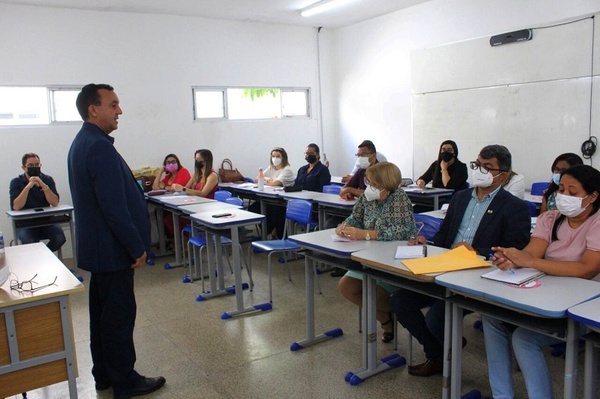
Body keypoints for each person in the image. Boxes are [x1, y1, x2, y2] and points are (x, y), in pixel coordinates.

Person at [390, 144, 530, 377]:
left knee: (437, 318)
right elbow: (444, 235)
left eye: (488, 167)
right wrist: (427, 243)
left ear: (502, 175)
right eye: (477, 165)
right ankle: (437, 352)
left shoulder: (514, 207)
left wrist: (476, 250)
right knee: (400, 301)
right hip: (445, 266)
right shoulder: (461, 197)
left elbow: (515, 248)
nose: (479, 171)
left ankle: (442, 353)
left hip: (480, 272)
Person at [68, 83, 165, 399]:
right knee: (119, 318)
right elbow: (113, 206)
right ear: (93, 109)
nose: (119, 110)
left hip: (99, 251)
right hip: (112, 251)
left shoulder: (84, 142)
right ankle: (125, 379)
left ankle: (104, 375)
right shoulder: (98, 146)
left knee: (102, 317)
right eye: (113, 104)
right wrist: (136, 246)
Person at [484, 164, 600, 399]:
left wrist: (531, 262)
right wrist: (511, 259)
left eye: (573, 192)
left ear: (593, 196)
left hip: (583, 305)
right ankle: (502, 395)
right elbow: (532, 254)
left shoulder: (597, 223)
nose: (564, 196)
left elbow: (587, 270)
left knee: (524, 338)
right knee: (491, 317)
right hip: (545, 294)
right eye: (561, 189)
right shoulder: (551, 218)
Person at [336, 162, 417, 343]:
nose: (368, 186)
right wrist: (343, 227)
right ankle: (386, 319)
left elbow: (402, 231)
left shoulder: (399, 198)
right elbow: (355, 218)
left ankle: (399, 314)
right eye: (368, 181)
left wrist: (366, 234)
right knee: (346, 287)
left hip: (393, 259)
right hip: (369, 255)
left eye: (372, 183)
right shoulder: (367, 197)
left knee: (373, 296)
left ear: (385, 183)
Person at [9, 153, 66, 252]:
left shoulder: (47, 179)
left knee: (59, 238)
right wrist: (28, 187)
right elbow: (16, 207)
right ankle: (41, 260)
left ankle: (43, 257)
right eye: (30, 166)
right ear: (23, 167)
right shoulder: (16, 182)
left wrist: (44, 186)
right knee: (30, 240)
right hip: (25, 223)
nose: (34, 167)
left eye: (37, 165)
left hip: (47, 220)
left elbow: (55, 202)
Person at [249, 147, 295, 239]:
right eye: (273, 156)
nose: (275, 158)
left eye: (278, 156)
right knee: (253, 208)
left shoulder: (287, 170)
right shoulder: (271, 168)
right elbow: (256, 179)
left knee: (272, 210)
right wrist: (265, 178)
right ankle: (269, 230)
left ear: (283, 158)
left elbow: (275, 183)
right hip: (270, 198)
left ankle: (271, 231)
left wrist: (265, 180)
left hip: (283, 201)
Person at [152, 153, 192, 238]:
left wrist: (165, 187)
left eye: (173, 162)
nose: (171, 164)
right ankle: (172, 240)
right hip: (172, 204)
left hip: (183, 206)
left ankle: (179, 242)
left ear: (178, 163)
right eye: (168, 162)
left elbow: (177, 188)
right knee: (158, 212)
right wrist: (160, 171)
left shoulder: (183, 172)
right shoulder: (168, 177)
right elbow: (155, 187)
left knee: (167, 218)